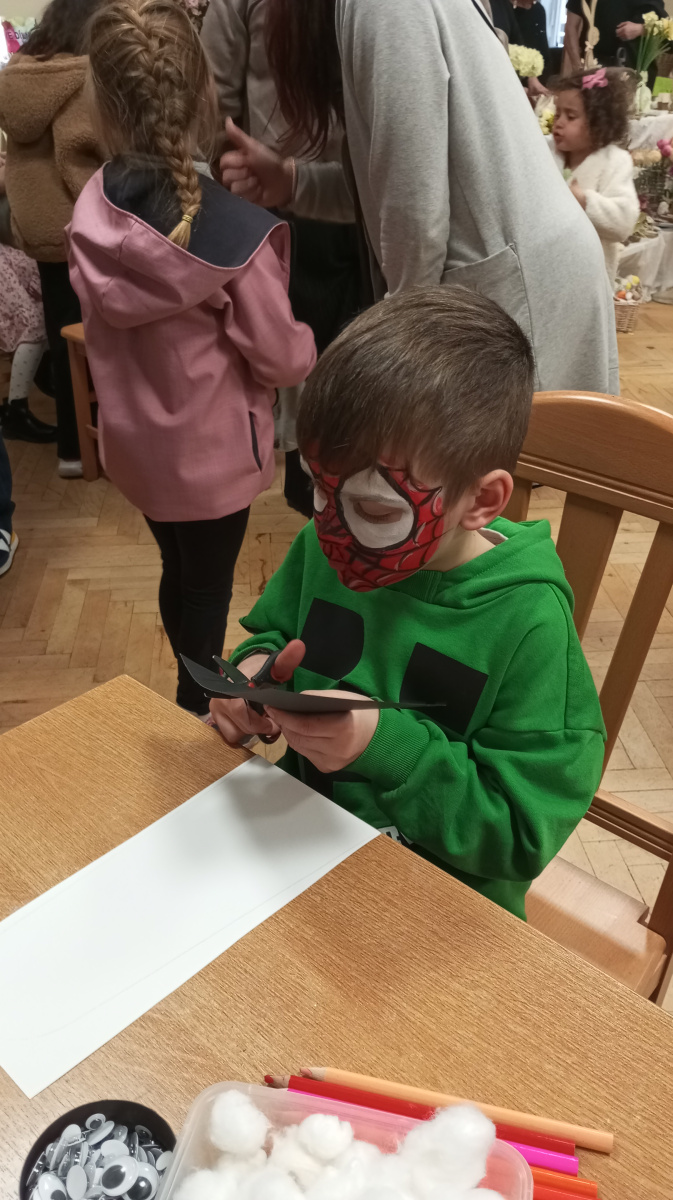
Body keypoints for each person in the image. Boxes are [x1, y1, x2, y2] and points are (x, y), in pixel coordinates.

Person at [209, 286, 606, 919]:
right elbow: (275, 635)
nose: (332, 530)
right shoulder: (323, 544)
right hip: (298, 854)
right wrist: (253, 678)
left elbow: (520, 833)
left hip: (439, 908)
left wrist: (386, 748)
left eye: (374, 511)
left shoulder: (528, 624)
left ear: (481, 502)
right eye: (317, 490)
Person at [68, 0, 316, 717]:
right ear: (207, 95)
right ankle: (194, 713)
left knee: (177, 570)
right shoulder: (236, 238)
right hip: (212, 464)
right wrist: (312, 344)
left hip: (137, 452)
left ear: (100, 105)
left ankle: (189, 696)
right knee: (205, 591)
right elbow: (282, 359)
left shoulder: (93, 207)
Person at [219, 0, 619, 395]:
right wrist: (291, 182)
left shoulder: (383, 8)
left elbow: (415, 210)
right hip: (524, 273)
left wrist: (401, 351)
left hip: (524, 289)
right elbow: (391, 180)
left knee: (538, 436)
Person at [201, 0, 362, 519]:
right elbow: (217, 101)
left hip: (365, 197)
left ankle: (358, 493)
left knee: (361, 360)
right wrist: (233, 169)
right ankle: (312, 492)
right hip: (280, 199)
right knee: (298, 356)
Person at [0, 0, 105, 476]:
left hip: (39, 229)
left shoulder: (19, 76)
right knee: (92, 336)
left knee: (63, 332)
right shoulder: (79, 76)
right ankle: (85, 445)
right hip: (80, 223)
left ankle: (71, 446)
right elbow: (77, 157)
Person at [550, 67, 639, 280]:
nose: (559, 122)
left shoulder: (615, 161)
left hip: (589, 272)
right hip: (548, 263)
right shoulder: (546, 152)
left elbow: (624, 222)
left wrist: (585, 201)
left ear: (598, 123)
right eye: (557, 114)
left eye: (571, 116)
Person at [0, 154, 52, 442]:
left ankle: (43, 371)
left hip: (7, 250)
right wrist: (15, 165)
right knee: (31, 322)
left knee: (49, 302)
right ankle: (16, 411)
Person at [564, 0, 669, 72]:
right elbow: (571, 27)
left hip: (637, 70)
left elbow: (667, 29)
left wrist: (641, 29)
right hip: (594, 67)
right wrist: (578, 67)